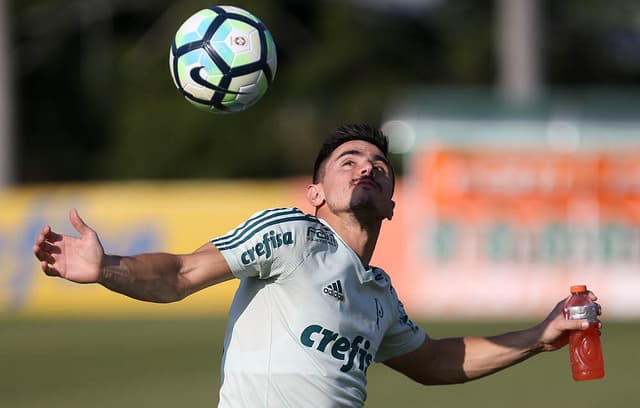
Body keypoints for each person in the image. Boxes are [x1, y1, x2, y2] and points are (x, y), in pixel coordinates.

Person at [33, 124, 600, 407]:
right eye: (347, 160)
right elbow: (182, 273)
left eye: (380, 164)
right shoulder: (292, 233)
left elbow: (432, 361)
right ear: (315, 192)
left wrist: (538, 336)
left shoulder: (379, 294)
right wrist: (107, 269)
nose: (366, 167)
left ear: (393, 203)